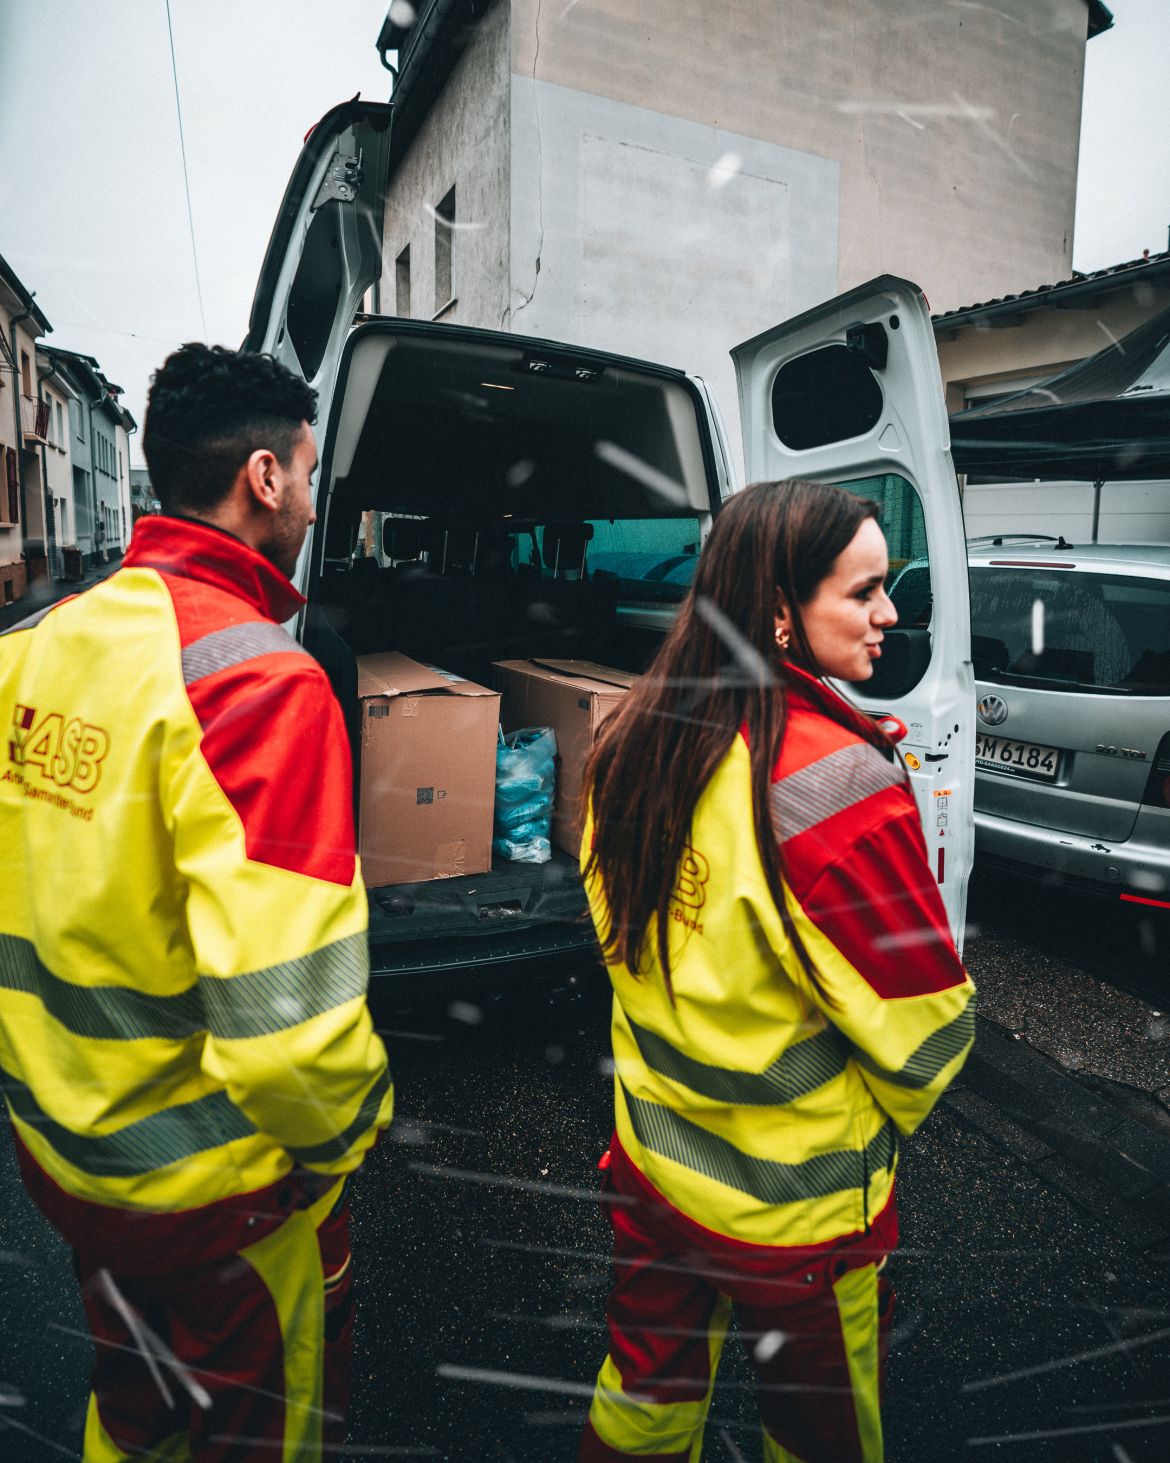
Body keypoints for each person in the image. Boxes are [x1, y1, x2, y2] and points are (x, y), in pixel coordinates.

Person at [0, 343, 393, 1461]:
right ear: (264, 478)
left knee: (133, 1414)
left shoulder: (34, 649)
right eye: (310, 475)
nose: (315, 502)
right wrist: (346, 1139)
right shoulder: (262, 682)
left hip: (74, 1159)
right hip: (216, 1195)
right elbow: (291, 1039)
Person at [577, 480, 975, 1463]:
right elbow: (930, 1040)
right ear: (777, 610)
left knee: (645, 1392)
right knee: (821, 1432)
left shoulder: (632, 735)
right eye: (865, 591)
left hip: (655, 1164)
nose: (892, 613)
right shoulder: (837, 789)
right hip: (793, 1217)